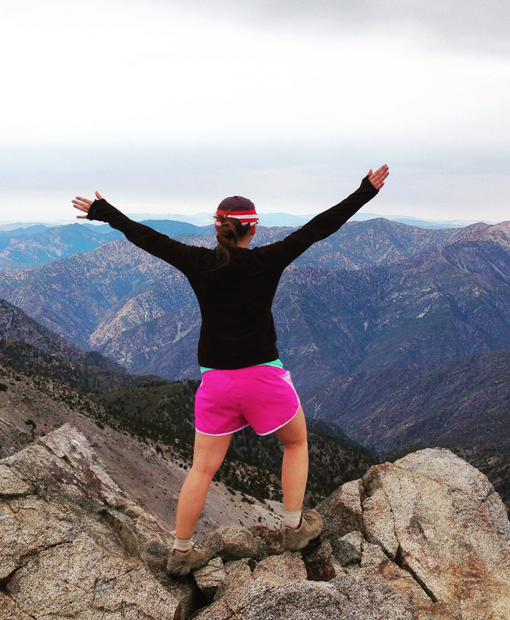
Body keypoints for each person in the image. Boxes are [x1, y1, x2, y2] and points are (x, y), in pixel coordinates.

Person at [72, 164, 389, 576]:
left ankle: (181, 552)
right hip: (263, 378)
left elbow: (148, 239)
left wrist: (105, 212)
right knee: (294, 443)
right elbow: (318, 227)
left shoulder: (199, 263)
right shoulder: (267, 261)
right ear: (252, 230)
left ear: (217, 228)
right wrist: (365, 191)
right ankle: (294, 528)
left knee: (201, 468)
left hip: (216, 382)